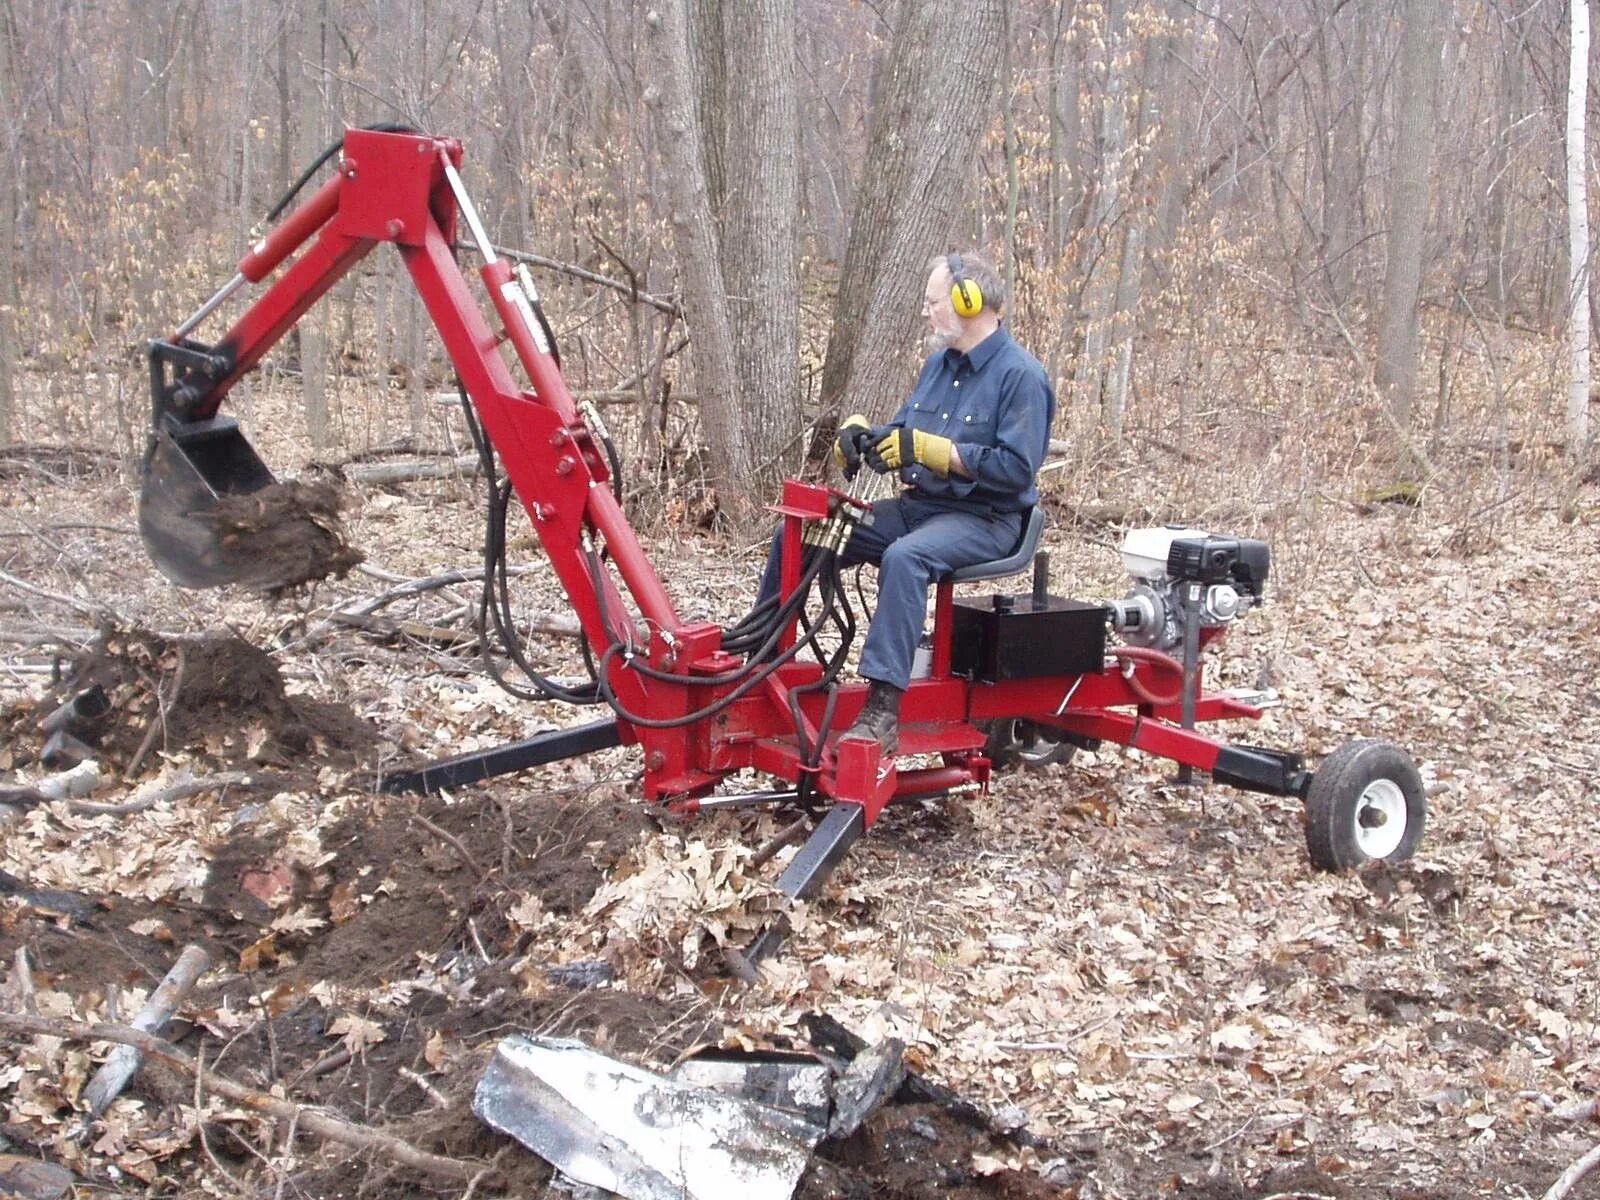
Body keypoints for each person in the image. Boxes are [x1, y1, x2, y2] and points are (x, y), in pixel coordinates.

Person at [762, 250, 1056, 754]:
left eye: (933, 301)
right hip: (922, 508)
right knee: (804, 531)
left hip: (986, 517)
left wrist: (937, 452)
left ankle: (882, 709)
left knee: (907, 557)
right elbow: (905, 435)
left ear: (969, 301)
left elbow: (1015, 470)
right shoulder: (940, 365)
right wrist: (862, 437)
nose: (925, 311)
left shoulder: (1021, 376)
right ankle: (763, 652)